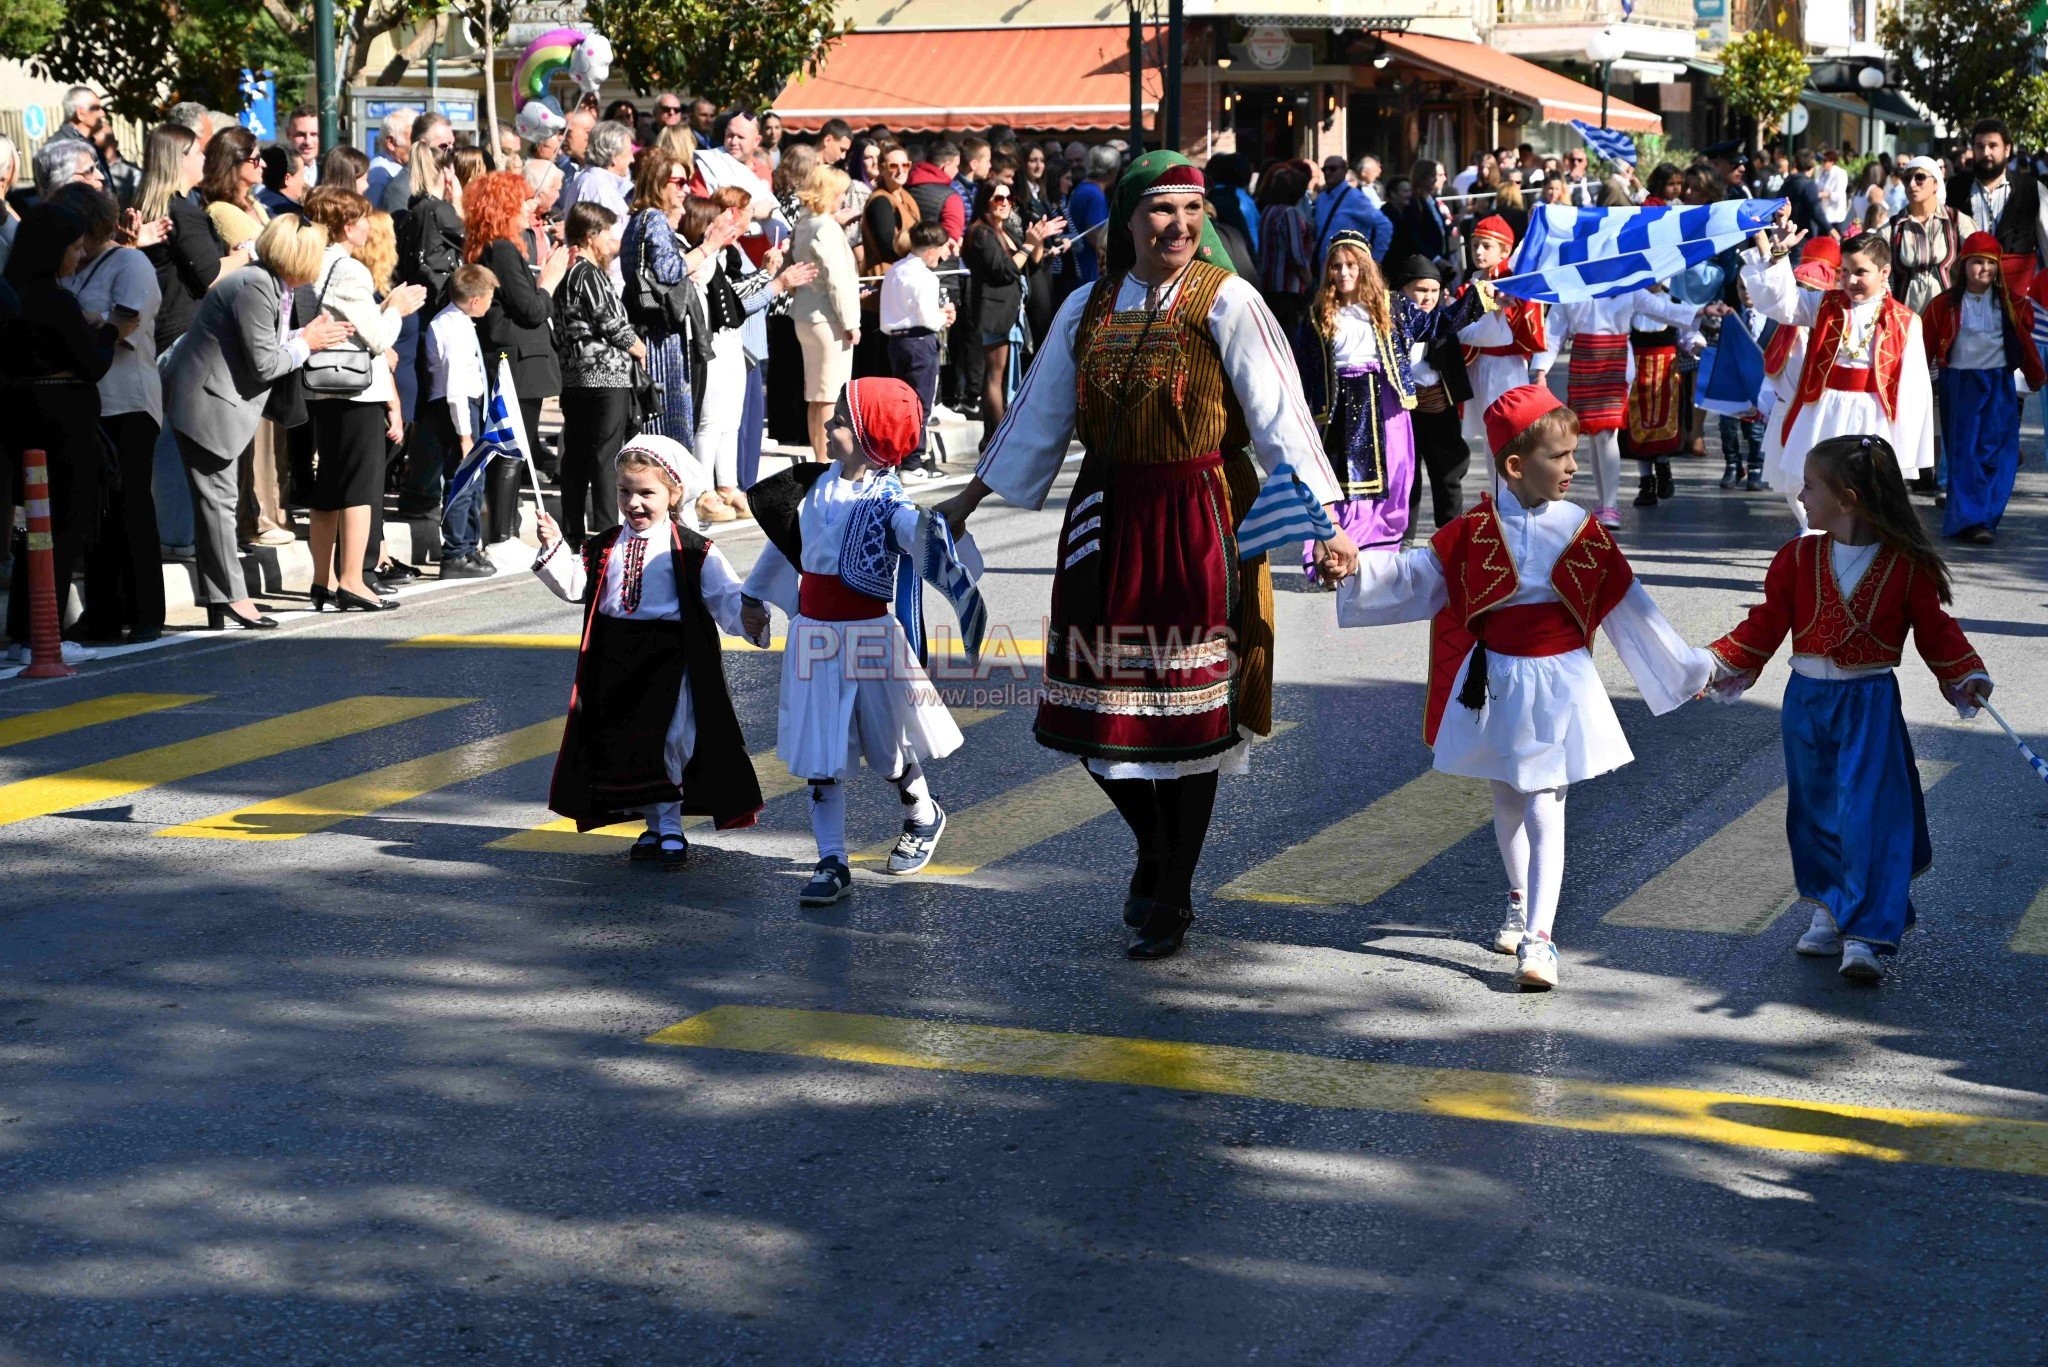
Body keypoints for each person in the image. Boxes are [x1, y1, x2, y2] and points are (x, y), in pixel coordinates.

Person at [938, 151, 1358, 961]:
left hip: (1201, 517)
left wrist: (1326, 521)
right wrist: (964, 503)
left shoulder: (1226, 299)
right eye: (1161, 211)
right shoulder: (1086, 306)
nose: (1178, 226)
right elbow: (1034, 419)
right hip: (1106, 515)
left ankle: (1172, 889)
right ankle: (1154, 849)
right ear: (1127, 221)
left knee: (1192, 715)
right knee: (1097, 712)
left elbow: (1280, 413)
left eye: (1191, 211)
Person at [1335, 386, 1713, 989]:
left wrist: (1688, 668)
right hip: (1496, 678)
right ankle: (1518, 900)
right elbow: (1414, 577)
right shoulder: (1473, 530)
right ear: (1515, 466)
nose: (1572, 467)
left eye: (1573, 455)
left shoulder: (1580, 529)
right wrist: (1357, 567)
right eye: (1560, 456)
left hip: (1559, 682)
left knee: (1544, 799)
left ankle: (1540, 939)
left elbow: (1631, 609)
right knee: (1508, 794)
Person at [1702, 434, 1991, 983]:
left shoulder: (1905, 567)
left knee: (1868, 816)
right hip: (1806, 703)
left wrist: (1966, 674)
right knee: (1815, 814)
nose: (1802, 495)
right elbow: (1765, 624)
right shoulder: (1798, 556)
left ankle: (1866, 934)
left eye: (1811, 486)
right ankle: (1830, 910)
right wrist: (1718, 662)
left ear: (1848, 499)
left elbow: (1936, 631)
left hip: (1869, 701)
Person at [739, 379, 984, 906]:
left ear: (872, 438)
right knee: (819, 750)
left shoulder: (888, 503)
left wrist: (945, 531)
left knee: (887, 745)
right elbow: (787, 550)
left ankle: (922, 811)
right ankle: (832, 860)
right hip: (813, 637)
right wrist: (753, 597)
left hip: (870, 637)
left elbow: (929, 544)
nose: (828, 427)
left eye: (840, 422)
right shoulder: (808, 489)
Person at [534, 434, 763, 864]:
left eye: (646, 493)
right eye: (624, 491)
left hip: (669, 660)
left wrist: (749, 616)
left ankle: (671, 828)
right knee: (628, 747)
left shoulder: (694, 550)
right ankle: (653, 828)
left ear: (673, 494)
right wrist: (553, 548)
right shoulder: (604, 545)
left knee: (671, 743)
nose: (634, 502)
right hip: (614, 660)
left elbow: (724, 596)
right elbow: (578, 588)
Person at [162, 214, 353, 628]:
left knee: (219, 503)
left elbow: (262, 344)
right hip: (206, 405)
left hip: (215, 403)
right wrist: (307, 342)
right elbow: (265, 363)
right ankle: (230, 597)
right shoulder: (254, 285)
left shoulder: (267, 283)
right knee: (217, 504)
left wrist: (305, 336)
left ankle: (221, 597)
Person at [1741, 221, 1933, 527]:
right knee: (1817, 482)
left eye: (1860, 272)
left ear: (1884, 273)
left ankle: (1859, 549)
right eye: (1844, 272)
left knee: (1866, 490)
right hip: (1824, 409)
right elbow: (1782, 305)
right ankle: (1816, 538)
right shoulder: (1824, 304)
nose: (1851, 280)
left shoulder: (1905, 320)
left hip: (1872, 415)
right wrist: (1777, 255)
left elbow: (1913, 390)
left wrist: (1904, 444)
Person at [0, 204, 122, 663]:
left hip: (21, 417)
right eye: (74, 247)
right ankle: (41, 634)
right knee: (61, 529)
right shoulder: (56, 300)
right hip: (63, 421)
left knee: (32, 527)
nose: (80, 254)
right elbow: (92, 366)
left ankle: (24, 632)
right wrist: (110, 331)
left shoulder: (14, 294)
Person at [301, 185, 425, 610]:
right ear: (347, 225)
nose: (368, 225)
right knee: (359, 486)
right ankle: (352, 579)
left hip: (322, 385)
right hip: (355, 389)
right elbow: (377, 338)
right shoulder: (349, 269)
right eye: (361, 218)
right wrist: (397, 307)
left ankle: (322, 580)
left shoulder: (308, 262)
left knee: (328, 484)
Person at [59, 186, 165, 644]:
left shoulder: (130, 263)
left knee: (132, 507)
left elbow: (127, 320)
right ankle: (103, 610)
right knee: (95, 514)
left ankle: (145, 611)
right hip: (88, 403)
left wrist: (79, 321)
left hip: (130, 402)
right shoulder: (69, 269)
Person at [1289, 230, 1418, 573]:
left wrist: (1481, 299)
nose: (1343, 273)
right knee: (1339, 474)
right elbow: (1299, 365)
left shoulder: (1392, 306)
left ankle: (1380, 547)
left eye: (1351, 265)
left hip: (1385, 398)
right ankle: (1335, 547)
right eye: (1336, 266)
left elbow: (1436, 323)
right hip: (1337, 404)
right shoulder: (1317, 316)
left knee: (1395, 468)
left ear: (1365, 268)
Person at [467, 169, 569, 544]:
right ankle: (502, 537)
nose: (531, 208)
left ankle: (503, 533)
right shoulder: (502, 248)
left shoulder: (496, 246)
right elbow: (529, 308)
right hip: (516, 360)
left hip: (517, 359)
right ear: (504, 206)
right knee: (511, 448)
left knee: (515, 445)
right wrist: (550, 282)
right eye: (523, 201)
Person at [1922, 232, 2045, 544]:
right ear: (1963, 265)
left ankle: (1986, 519)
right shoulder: (1942, 306)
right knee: (1964, 454)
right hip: (1959, 386)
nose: (1985, 269)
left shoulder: (2013, 305)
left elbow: (2025, 343)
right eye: (1977, 262)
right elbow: (1924, 347)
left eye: (1991, 264)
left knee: (1998, 453)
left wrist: (2034, 376)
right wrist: (1917, 385)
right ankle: (1969, 518)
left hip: (1998, 384)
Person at [554, 201, 645, 551]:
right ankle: (607, 529)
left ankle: (574, 530)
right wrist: (638, 347)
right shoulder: (587, 272)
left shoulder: (566, 271)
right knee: (605, 456)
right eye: (607, 231)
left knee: (576, 456)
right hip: (603, 378)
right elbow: (608, 321)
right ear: (592, 236)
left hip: (575, 376)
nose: (612, 239)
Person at [963, 178, 1061, 452]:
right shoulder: (980, 234)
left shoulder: (1003, 231)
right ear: (985, 201)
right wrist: (1028, 245)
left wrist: (1037, 239)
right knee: (995, 375)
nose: (1005, 203)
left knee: (1004, 374)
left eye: (1009, 199)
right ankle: (996, 436)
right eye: (998, 198)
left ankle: (992, 435)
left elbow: (1032, 261)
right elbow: (1004, 270)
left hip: (1011, 311)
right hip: (993, 310)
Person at [1390, 255, 1475, 534]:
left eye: (1433, 291)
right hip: (1403, 412)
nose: (1428, 298)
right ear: (1402, 290)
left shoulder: (1444, 318)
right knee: (1405, 476)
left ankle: (1451, 535)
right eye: (1421, 290)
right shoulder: (1390, 322)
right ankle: (1403, 537)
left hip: (1440, 408)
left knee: (1448, 474)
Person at [423, 264, 496, 580]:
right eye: (490, 298)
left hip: (470, 405)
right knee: (461, 480)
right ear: (477, 299)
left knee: (474, 481)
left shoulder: (463, 322)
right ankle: (454, 553)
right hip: (456, 409)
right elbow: (454, 385)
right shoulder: (450, 325)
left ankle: (468, 547)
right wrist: (464, 435)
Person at [1455, 216, 1550, 450]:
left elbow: (1528, 256)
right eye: (1475, 244)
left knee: (1508, 433)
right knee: (1489, 437)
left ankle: (1507, 488)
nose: (1478, 251)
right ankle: (1495, 487)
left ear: (1505, 250)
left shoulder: (1510, 282)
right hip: (1477, 365)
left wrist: (1536, 225)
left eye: (1487, 246)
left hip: (1506, 366)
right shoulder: (1471, 284)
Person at [789, 164, 861, 463]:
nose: (844, 198)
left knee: (817, 395)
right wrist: (851, 322)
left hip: (806, 314)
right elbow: (837, 279)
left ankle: (821, 456)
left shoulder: (805, 222)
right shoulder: (826, 227)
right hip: (827, 317)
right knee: (829, 394)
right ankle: (826, 459)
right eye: (841, 192)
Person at [880, 221, 955, 440]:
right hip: (920, 342)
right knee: (920, 405)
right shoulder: (926, 277)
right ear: (931, 251)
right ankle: (914, 461)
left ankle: (902, 457)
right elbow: (928, 319)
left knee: (902, 404)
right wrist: (944, 316)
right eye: (941, 251)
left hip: (896, 342)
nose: (942, 257)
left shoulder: (894, 270)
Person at [1945, 118, 2048, 265]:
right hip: (1967, 285)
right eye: (1980, 146)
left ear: (2007, 150)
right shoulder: (1954, 187)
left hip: (2017, 285)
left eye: (1993, 146)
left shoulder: (2032, 189)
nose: (1986, 153)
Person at [1888, 154, 1974, 314]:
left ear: (1935, 183)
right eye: (1906, 179)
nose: (1912, 184)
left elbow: (1978, 256)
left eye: (1920, 177)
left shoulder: (1957, 221)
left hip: (1948, 313)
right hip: (1905, 315)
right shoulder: (1893, 226)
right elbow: (1882, 274)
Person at [1254, 161, 1313, 333]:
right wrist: (1310, 282)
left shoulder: (1267, 211)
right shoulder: (1290, 213)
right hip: (1289, 288)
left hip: (1268, 284)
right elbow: (1297, 255)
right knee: (1290, 336)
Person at [200, 125, 268, 253]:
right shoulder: (219, 210)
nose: (263, 164)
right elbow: (259, 254)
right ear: (234, 163)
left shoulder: (252, 202)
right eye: (256, 159)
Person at [380, 112, 453, 214]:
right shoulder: (400, 188)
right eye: (444, 147)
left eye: (452, 147)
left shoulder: (449, 178)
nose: (450, 153)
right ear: (422, 145)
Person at [861, 142, 918, 272]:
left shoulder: (907, 197)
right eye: (893, 166)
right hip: (886, 278)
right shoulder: (880, 201)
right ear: (881, 169)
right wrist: (925, 245)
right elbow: (889, 247)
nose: (901, 171)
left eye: (905, 165)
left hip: (905, 272)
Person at [1065, 144, 1117, 287]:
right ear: (1112, 171)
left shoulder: (1082, 188)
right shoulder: (1095, 195)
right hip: (1088, 273)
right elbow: (1097, 238)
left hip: (1079, 269)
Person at [368, 109, 412, 207]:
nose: (420, 145)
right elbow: (374, 216)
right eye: (414, 139)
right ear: (391, 142)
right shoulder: (379, 174)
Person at [257, 145, 305, 218]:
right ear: (287, 178)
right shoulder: (292, 215)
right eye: (301, 175)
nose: (303, 182)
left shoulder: (256, 202)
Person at [283, 107, 320, 188]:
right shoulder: (276, 175)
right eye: (301, 134)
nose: (307, 142)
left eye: (314, 134)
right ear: (288, 134)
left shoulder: (329, 175)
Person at [1816, 148, 1850, 235]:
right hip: (1822, 212)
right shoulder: (1819, 170)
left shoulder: (1840, 173)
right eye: (1822, 161)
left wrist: (1821, 195)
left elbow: (1838, 193)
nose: (1823, 163)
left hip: (1835, 213)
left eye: (1825, 161)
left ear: (1832, 162)